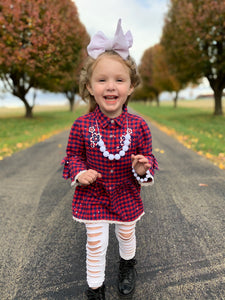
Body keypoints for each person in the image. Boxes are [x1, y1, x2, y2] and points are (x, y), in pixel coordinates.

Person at [62, 19, 158, 300]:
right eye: (102, 80)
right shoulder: (82, 126)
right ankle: (95, 288)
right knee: (95, 243)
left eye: (119, 80)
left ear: (130, 87)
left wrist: (142, 167)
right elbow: (72, 156)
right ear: (90, 87)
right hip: (92, 195)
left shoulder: (139, 126)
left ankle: (127, 264)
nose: (110, 86)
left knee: (126, 235)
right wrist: (80, 172)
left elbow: (148, 157)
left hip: (126, 193)